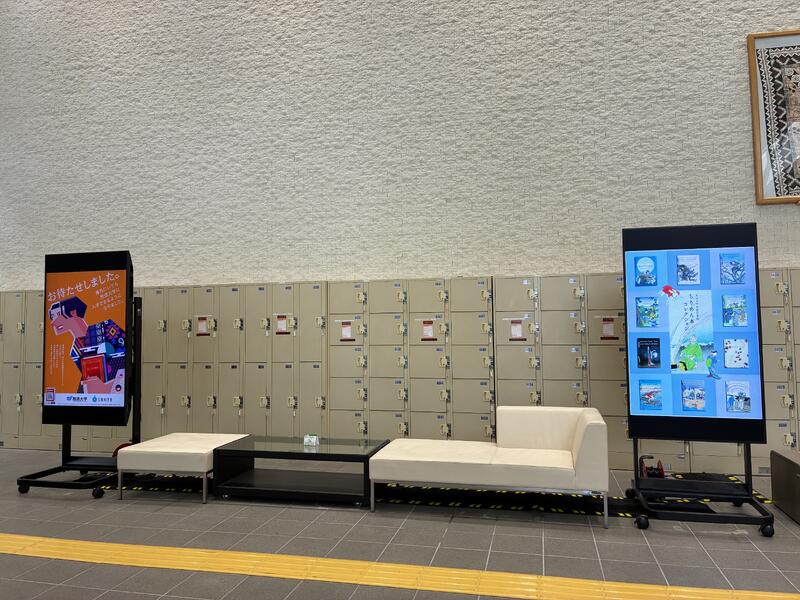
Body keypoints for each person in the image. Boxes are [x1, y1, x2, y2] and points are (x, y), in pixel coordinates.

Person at [49, 296, 125, 394]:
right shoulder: (73, 350)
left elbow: (126, 366)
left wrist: (107, 387)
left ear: (73, 313)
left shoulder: (107, 327)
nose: (52, 323)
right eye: (52, 318)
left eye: (57, 316)